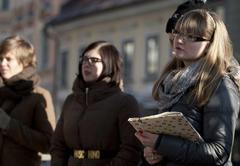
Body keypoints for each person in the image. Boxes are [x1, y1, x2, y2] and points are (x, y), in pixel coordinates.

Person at [135, 9, 240, 166]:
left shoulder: (220, 83)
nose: (179, 40)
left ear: (210, 45)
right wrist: (153, 153)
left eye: (191, 36)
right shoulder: (172, 83)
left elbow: (219, 152)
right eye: (178, 33)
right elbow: (175, 148)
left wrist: (161, 143)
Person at [50, 41, 141, 166]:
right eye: (84, 59)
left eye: (94, 60)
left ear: (109, 64)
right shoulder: (71, 101)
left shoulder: (124, 102)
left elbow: (131, 150)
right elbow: (58, 145)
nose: (86, 64)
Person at [0, 35, 56, 166]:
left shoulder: (39, 95)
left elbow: (48, 143)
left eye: (8, 59)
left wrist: (9, 125)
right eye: (0, 59)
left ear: (24, 63)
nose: (2, 64)